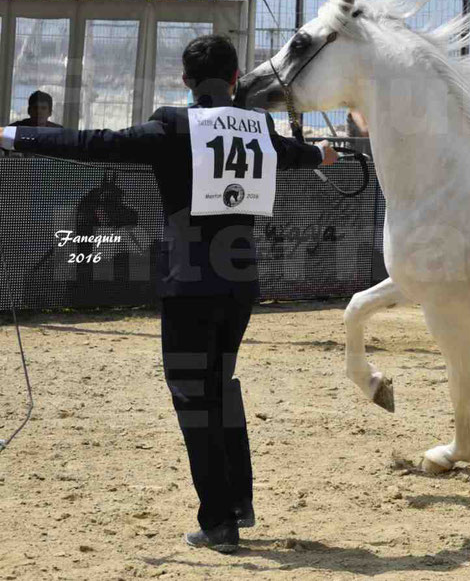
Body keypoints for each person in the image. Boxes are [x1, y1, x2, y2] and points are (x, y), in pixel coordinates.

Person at [0, 35, 338, 554]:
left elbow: (93, 144)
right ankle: (239, 502)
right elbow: (296, 154)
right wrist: (321, 152)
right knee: (220, 385)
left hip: (189, 282)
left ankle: (219, 521)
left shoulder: (172, 126)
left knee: (192, 398)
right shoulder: (259, 128)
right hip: (240, 280)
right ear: (233, 80)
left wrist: (13, 137)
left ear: (185, 81)